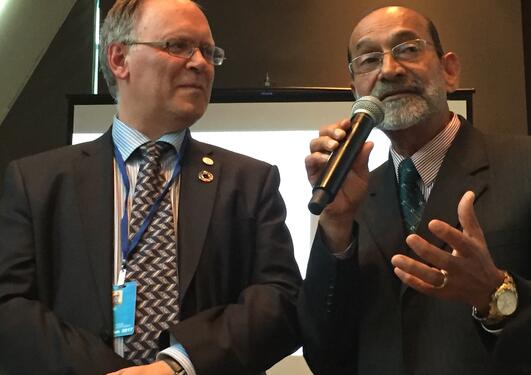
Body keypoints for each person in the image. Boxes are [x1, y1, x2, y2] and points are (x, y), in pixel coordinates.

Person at [0, 0, 301, 374]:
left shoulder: (250, 181)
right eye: (178, 46)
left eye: (208, 52)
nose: (199, 63)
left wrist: (175, 366)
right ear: (119, 59)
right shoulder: (38, 183)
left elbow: (281, 301)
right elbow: (10, 306)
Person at [299, 6, 531, 375]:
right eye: (369, 59)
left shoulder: (523, 166)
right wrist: (336, 227)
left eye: (407, 48)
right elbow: (324, 354)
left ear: (449, 70)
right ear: (355, 90)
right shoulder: (352, 195)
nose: (389, 70)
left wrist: (495, 295)